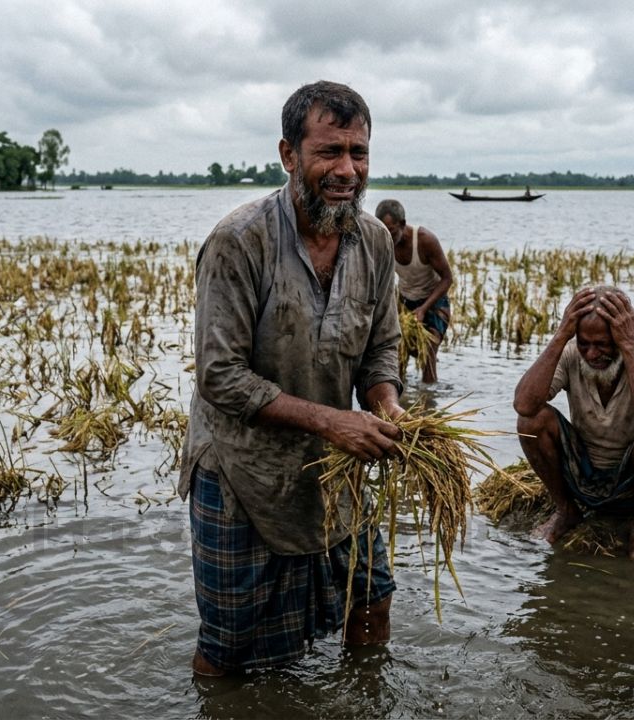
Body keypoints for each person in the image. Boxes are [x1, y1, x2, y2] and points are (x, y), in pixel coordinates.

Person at [179, 81, 405, 676]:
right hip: (242, 470)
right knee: (231, 645)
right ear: (288, 156)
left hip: (333, 470)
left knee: (371, 600)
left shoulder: (375, 242)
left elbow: (381, 349)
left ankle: (363, 702)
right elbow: (219, 376)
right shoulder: (239, 240)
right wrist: (332, 422)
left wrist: (387, 405)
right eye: (329, 152)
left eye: (358, 152)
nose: (347, 170)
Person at [512, 286, 634, 561]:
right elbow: (524, 405)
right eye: (584, 343)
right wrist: (561, 336)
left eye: (603, 344)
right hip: (583, 473)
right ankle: (567, 510)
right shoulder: (570, 354)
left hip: (631, 479)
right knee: (531, 421)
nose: (592, 354)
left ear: (624, 334)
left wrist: (628, 347)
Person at [375, 199, 454, 384]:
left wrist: (424, 309)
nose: (389, 237)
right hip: (405, 301)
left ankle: (429, 401)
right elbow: (380, 278)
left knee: (428, 351)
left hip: (434, 301)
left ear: (402, 224)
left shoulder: (425, 240)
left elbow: (447, 278)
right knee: (398, 352)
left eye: (392, 231)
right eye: (384, 231)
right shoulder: (382, 241)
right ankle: (398, 400)